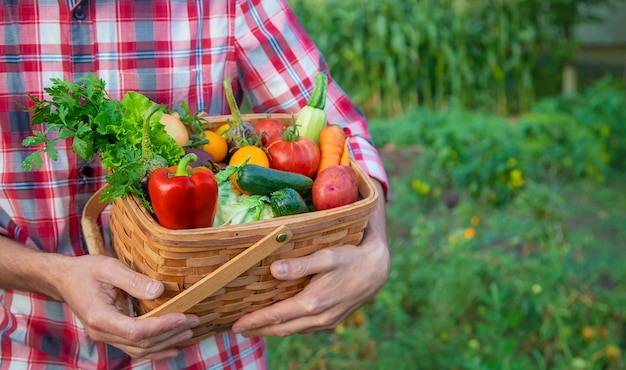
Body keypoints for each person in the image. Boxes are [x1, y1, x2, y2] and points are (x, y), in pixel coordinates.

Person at [0, 0, 390, 368]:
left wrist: (376, 249)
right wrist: (54, 275)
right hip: (27, 345)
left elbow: (340, 126)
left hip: (211, 346)